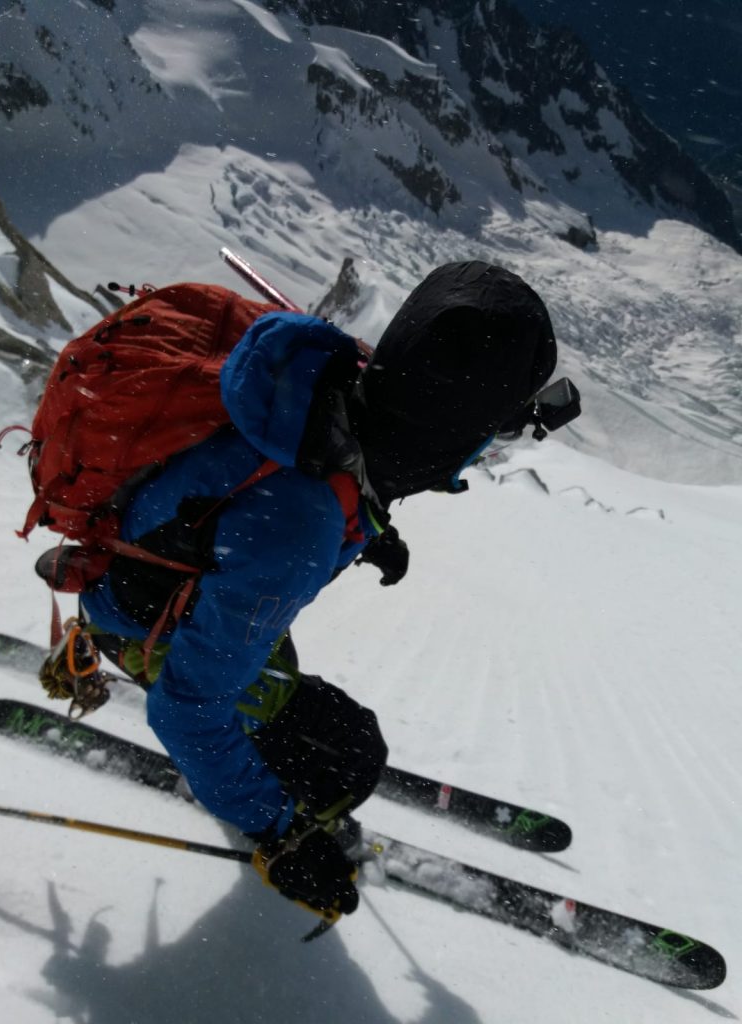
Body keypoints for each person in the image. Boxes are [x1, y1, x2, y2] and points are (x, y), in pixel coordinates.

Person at [78, 260, 559, 925]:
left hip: (159, 581)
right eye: (498, 429)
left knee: (276, 679)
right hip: (141, 622)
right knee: (347, 756)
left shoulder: (335, 389)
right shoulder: (299, 524)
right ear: (452, 430)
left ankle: (246, 757)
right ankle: (273, 807)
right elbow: (186, 710)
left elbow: (283, 491)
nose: (488, 447)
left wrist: (369, 528)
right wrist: (282, 836)